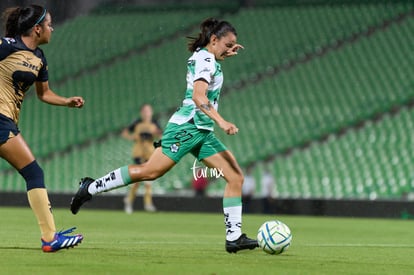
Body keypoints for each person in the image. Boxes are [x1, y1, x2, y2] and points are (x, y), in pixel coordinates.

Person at [71, 18, 258, 253]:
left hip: (201, 131)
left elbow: (208, 66)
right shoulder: (206, 59)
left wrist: (224, 53)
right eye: (228, 44)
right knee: (150, 171)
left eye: (234, 45)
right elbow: (200, 97)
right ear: (214, 39)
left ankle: (234, 237)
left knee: (235, 177)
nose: (231, 48)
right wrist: (222, 121)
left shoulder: (206, 56)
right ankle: (90, 188)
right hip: (187, 127)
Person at [0, 5, 84, 252]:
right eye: (49, 24)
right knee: (34, 173)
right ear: (37, 29)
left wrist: (66, 101)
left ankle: (50, 237)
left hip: (7, 121)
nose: (52, 28)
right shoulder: (6, 46)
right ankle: (50, 238)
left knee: (33, 173)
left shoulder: (39, 59)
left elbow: (44, 94)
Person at [121, 104, 161, 213]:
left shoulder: (154, 123)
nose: (147, 113)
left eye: (148, 111)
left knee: (149, 179)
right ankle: (129, 202)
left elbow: (161, 135)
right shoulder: (137, 122)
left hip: (150, 153)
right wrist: (133, 137)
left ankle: (147, 203)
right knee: (137, 179)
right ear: (142, 112)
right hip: (138, 153)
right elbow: (125, 133)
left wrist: (155, 133)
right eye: (145, 111)